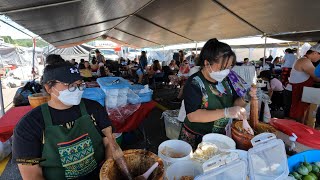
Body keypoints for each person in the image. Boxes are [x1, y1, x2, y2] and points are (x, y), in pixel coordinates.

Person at [12, 60, 120, 179]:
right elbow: (32, 175)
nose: (78, 90)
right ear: (48, 87)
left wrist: (107, 171)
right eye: (71, 85)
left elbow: (110, 142)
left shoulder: (94, 108)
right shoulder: (28, 125)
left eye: (80, 85)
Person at [179, 38, 255, 149]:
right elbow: (193, 116)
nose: (227, 71)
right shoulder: (194, 82)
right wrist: (226, 112)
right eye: (223, 67)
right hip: (196, 137)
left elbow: (234, 104)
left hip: (220, 137)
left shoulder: (226, 80)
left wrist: (246, 97)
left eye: (229, 67)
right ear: (206, 63)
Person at [289, 44, 320, 123]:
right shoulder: (304, 61)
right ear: (315, 53)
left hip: (301, 92)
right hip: (298, 92)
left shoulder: (305, 60)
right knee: (298, 118)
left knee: (302, 116)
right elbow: (317, 77)